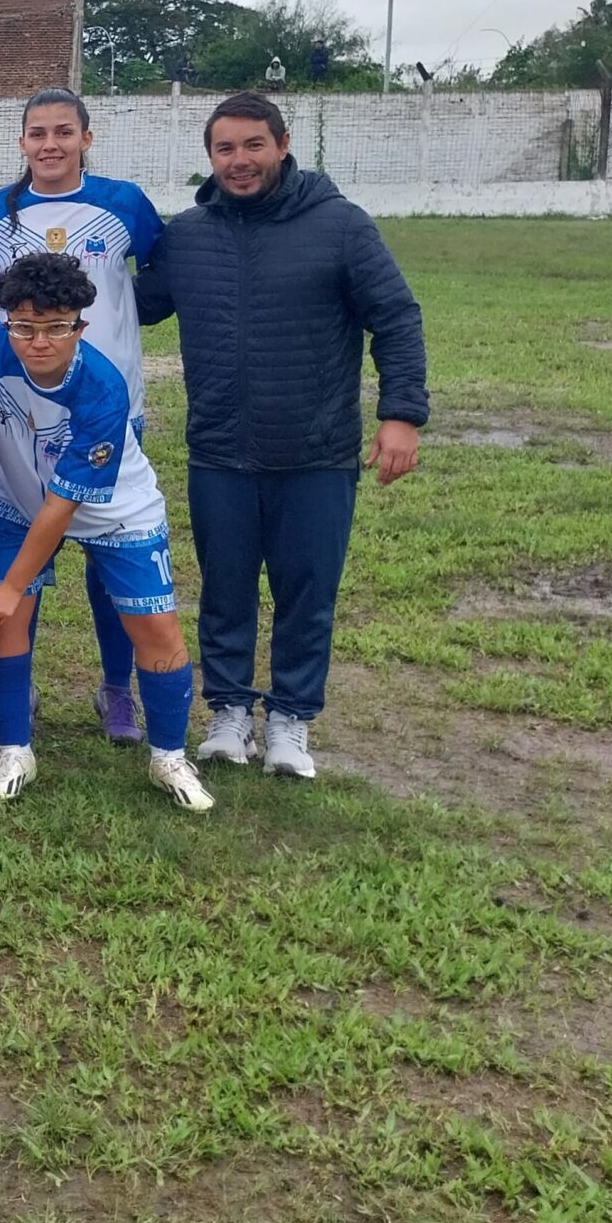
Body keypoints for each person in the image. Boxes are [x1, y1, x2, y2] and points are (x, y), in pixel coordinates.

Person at [135, 92, 427, 778]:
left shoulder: (341, 226)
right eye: (225, 149)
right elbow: (129, 306)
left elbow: (397, 316)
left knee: (307, 592)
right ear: (210, 157)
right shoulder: (188, 236)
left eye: (253, 146)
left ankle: (292, 721)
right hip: (219, 452)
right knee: (224, 588)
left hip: (316, 452)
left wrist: (402, 414)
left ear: (283, 143)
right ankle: (230, 712)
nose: (239, 161)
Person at [0, 252, 214, 814]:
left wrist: (10, 585)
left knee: (156, 625)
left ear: (81, 324)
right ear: (6, 321)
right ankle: (14, 752)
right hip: (14, 498)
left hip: (111, 509)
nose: (38, 341)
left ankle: (169, 756)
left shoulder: (101, 387)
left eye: (56, 327)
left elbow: (62, 508)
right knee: (2, 626)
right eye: (24, 326)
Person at [0, 90, 165, 748]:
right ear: (20, 142)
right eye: (36, 134)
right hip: (21, 409)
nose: (49, 144)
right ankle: (18, 684)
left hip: (111, 405)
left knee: (106, 547)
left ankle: (117, 689)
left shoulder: (125, 203)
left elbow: (159, 280)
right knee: (30, 533)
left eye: (63, 132)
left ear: (87, 136)